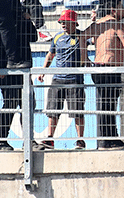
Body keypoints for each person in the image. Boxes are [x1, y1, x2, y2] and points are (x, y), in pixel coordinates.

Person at [84, 0, 124, 149]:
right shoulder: (116, 24)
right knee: (108, 105)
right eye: (121, 7)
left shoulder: (98, 24)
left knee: (105, 104)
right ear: (114, 10)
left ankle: (108, 138)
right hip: (110, 68)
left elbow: (82, 37)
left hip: (97, 68)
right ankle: (108, 139)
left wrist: (86, 60)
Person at [37, 10, 89, 150]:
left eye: (66, 22)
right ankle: (50, 139)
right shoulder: (57, 37)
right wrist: (43, 71)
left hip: (75, 79)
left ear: (74, 23)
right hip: (58, 80)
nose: (63, 25)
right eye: (62, 22)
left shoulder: (82, 36)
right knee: (53, 110)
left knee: (77, 111)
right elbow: (50, 55)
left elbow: (94, 38)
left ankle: (80, 140)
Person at [0, 0, 37, 150]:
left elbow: (33, 37)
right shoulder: (0, 24)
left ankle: (28, 139)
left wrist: (27, 20)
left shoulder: (21, 23)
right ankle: (1, 140)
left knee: (28, 103)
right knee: (10, 104)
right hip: (8, 71)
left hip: (22, 70)